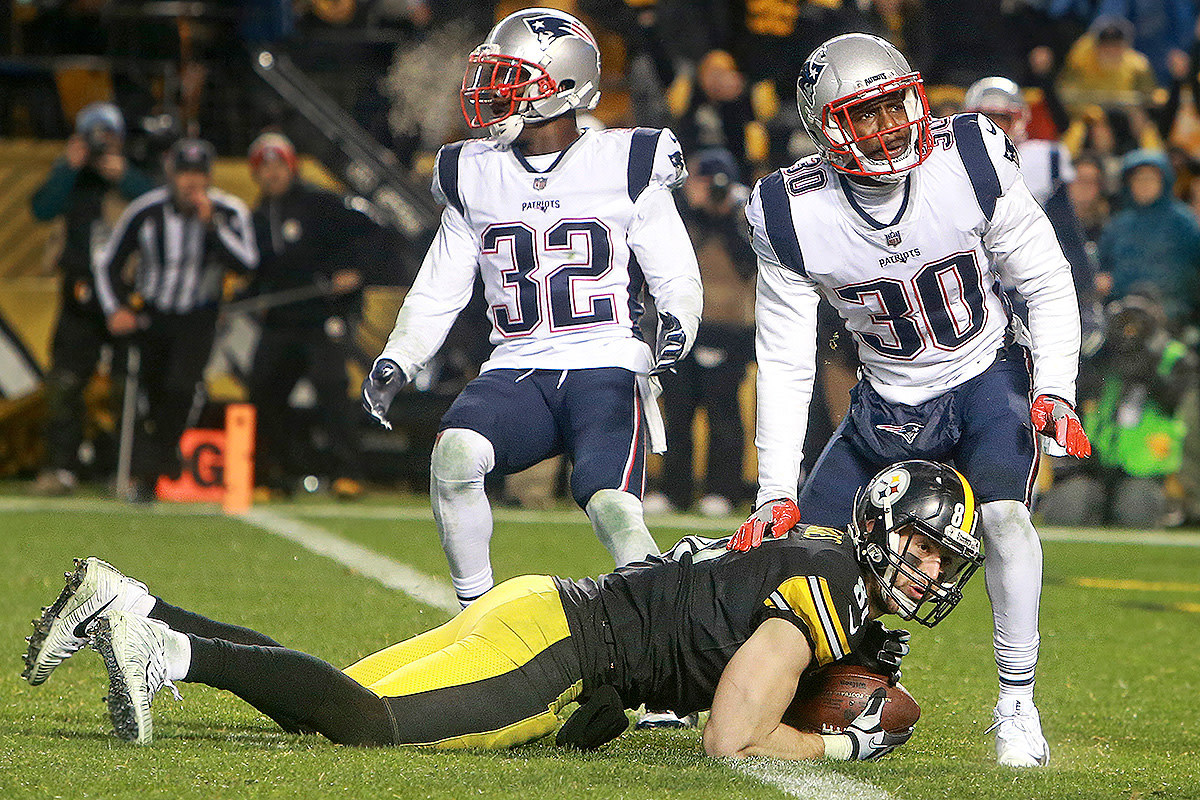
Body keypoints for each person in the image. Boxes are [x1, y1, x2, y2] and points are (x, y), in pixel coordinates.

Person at [22, 460, 984, 758]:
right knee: (367, 725)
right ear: (879, 525)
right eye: (924, 543)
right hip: (563, 651)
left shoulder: (827, 570)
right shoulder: (823, 592)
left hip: (548, 610)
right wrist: (838, 745)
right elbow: (730, 737)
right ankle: (166, 655)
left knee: (332, 697)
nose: (931, 569)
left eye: (946, 559)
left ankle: (137, 603)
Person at [736, 33, 1090, 768]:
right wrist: (774, 487)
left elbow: (1047, 279)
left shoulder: (968, 157)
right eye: (862, 117)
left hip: (985, 369)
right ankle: (743, 687)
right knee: (800, 555)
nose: (888, 127)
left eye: (895, 106)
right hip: (889, 399)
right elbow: (784, 357)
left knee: (1003, 518)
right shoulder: (790, 212)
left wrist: (1054, 386)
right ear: (825, 127)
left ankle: (1016, 704)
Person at [361, 8, 703, 608]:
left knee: (613, 508)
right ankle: (476, 619)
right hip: (517, 364)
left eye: (512, 78)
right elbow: (442, 284)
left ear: (565, 87)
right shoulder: (474, 172)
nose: (493, 93)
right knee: (455, 455)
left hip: (604, 362)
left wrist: (677, 323)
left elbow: (675, 270)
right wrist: (401, 355)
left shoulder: (625, 160)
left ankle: (662, 666)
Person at [92, 138, 258, 502]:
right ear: (172, 174)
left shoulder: (228, 211)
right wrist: (116, 308)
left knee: (181, 388)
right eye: (184, 173)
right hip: (153, 316)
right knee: (148, 396)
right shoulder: (146, 211)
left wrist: (212, 226)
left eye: (198, 174)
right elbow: (108, 262)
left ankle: (152, 471)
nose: (191, 182)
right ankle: (157, 466)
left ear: (209, 176)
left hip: (198, 317)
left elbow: (247, 263)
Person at [244, 131, 381, 499]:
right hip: (279, 320)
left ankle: (348, 473)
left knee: (331, 390)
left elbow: (366, 234)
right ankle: (271, 475)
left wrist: (353, 270)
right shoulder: (258, 216)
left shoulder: (321, 204)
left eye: (277, 166)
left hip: (321, 317)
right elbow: (257, 270)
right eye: (264, 168)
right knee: (263, 391)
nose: (271, 175)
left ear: (290, 167)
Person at [29, 102, 155, 495]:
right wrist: (68, 166)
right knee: (65, 383)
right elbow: (41, 208)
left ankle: (124, 471)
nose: (102, 142)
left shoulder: (133, 173)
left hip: (125, 294)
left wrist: (127, 178)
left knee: (127, 386)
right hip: (80, 293)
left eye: (108, 134)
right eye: (93, 134)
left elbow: (159, 207)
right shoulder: (72, 176)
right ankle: (60, 468)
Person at [646, 147, 756, 516]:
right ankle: (674, 490)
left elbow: (748, 264)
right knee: (678, 412)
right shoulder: (678, 214)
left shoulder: (745, 216)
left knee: (724, 414)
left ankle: (723, 490)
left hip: (731, 329)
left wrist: (726, 217)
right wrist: (696, 209)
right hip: (684, 327)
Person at [1096, 148, 1200, 327]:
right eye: (1138, 179)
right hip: (1122, 316)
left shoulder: (1183, 221)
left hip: (1174, 318)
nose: (1144, 184)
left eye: (1150, 178)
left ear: (1164, 181)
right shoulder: (1118, 224)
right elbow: (1101, 268)